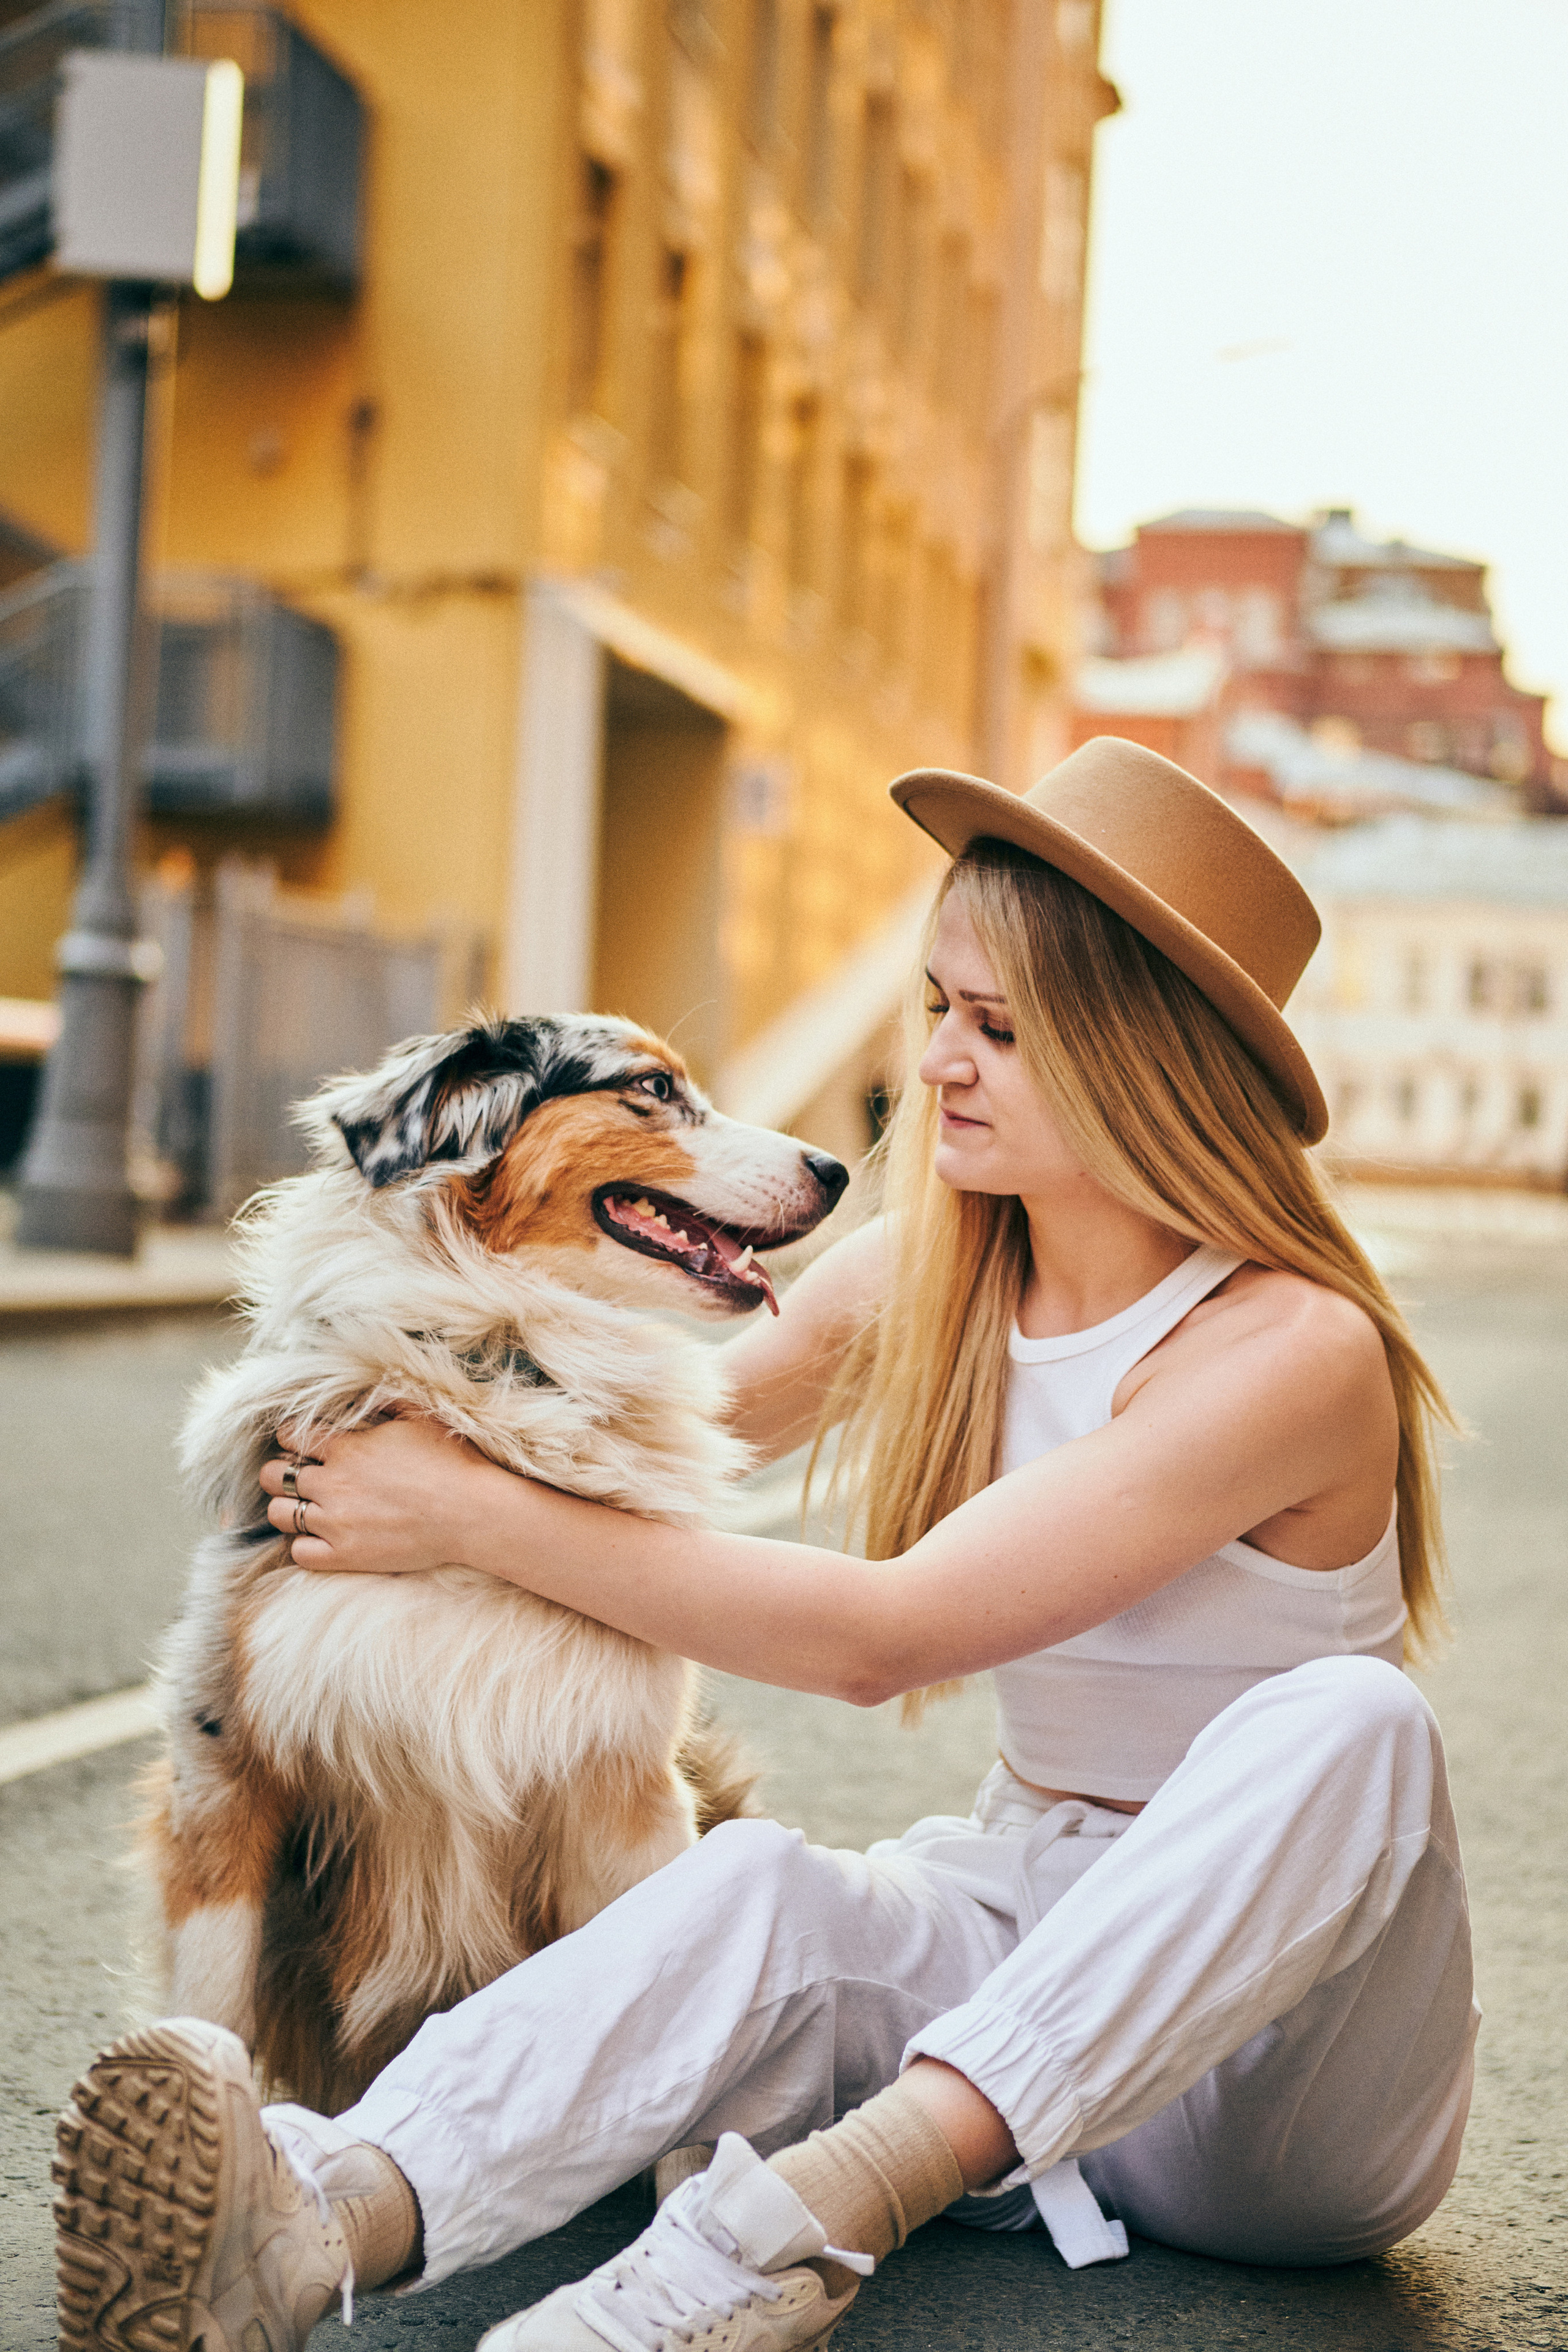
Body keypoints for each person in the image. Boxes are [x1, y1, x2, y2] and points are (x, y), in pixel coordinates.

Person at [55, 739, 1478, 2352]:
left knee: (1356, 1725)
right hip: (1021, 1963)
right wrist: (395, 1392)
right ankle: (316, 2219)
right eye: (937, 1005)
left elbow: (880, 1640)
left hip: (1286, 2093)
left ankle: (783, 2237)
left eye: (1000, 1031)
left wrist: (467, 1514)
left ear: (1149, 1065)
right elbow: (602, 1451)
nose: (939, 1062)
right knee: (763, 1888)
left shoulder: (1294, 1351)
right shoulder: (929, 1279)